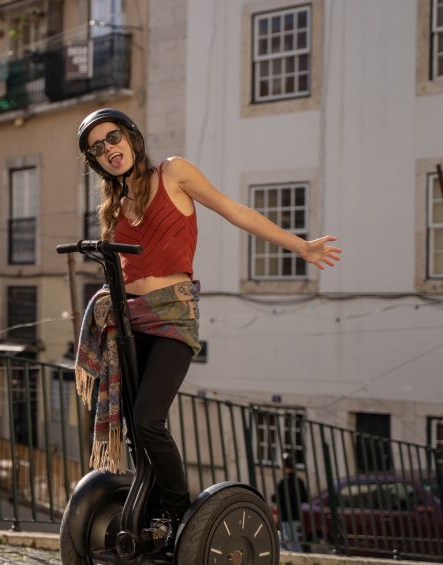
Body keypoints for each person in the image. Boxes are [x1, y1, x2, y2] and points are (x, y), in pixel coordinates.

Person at [75, 108, 340, 553]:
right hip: (130, 317)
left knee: (147, 419)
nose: (109, 150)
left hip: (174, 316)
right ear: (95, 161)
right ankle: (153, 513)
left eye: (113, 138)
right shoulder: (114, 206)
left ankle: (179, 515)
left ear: (132, 137)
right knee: (133, 427)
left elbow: (234, 211)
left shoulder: (174, 173)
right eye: (98, 149)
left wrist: (301, 246)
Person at [274, 452, 309, 552]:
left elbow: (276, 498)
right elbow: (305, 499)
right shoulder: (299, 481)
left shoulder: (283, 483)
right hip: (297, 516)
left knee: (290, 542)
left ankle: (300, 559)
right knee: (285, 541)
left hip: (286, 517)